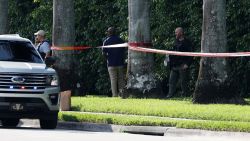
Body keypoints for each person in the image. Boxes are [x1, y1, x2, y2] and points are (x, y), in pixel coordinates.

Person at [166, 27, 193, 98]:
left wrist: (187, 64)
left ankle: (185, 95)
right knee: (171, 81)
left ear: (181, 33)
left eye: (176, 32)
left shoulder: (187, 42)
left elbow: (191, 55)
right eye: (175, 32)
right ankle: (170, 95)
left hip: (183, 65)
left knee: (184, 82)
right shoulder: (175, 42)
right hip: (175, 65)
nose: (175, 34)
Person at [102, 27, 126, 97]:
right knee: (121, 79)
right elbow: (124, 51)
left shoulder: (106, 41)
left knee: (113, 80)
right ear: (115, 32)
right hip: (120, 63)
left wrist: (107, 59)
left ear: (109, 33)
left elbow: (103, 53)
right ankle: (122, 94)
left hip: (111, 64)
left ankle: (114, 95)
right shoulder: (120, 40)